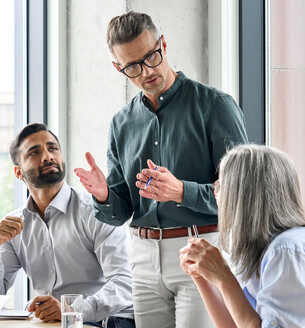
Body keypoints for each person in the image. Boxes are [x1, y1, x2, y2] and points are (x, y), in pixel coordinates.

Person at [74, 11, 248, 328]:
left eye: (151, 57)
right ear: (119, 68)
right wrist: (102, 196)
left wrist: (181, 191)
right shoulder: (121, 124)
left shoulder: (215, 106)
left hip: (202, 248)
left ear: (163, 44)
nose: (146, 71)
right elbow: (120, 211)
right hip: (141, 258)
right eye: (132, 66)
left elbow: (241, 198)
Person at [0, 123, 135, 328]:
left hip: (106, 321)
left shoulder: (96, 212)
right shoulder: (13, 225)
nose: (48, 156)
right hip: (53, 324)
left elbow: (125, 283)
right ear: (18, 173)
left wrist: (73, 310)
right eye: (34, 152)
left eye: (53, 148)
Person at [180, 144, 305, 328]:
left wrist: (224, 276)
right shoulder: (257, 249)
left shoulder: (285, 250)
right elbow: (234, 324)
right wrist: (200, 276)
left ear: (241, 196)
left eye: (220, 185)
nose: (216, 194)